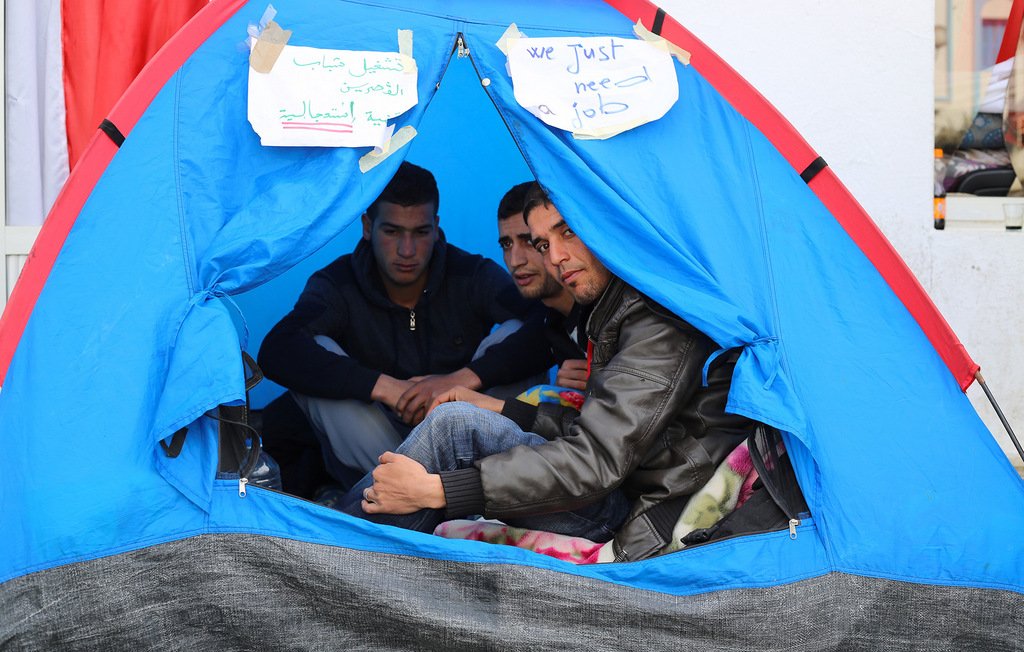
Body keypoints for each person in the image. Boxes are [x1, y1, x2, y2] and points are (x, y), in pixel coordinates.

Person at [344, 183, 756, 562]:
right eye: (544, 242)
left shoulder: (658, 321)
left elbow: (594, 462)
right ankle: (342, 547)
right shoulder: (617, 310)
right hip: (621, 484)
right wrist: (498, 407)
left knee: (452, 428)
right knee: (460, 420)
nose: (554, 257)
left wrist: (438, 490)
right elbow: (601, 431)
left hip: (641, 511)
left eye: (568, 232)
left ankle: (321, 550)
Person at [258, 162, 549, 493]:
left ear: (436, 227)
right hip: (377, 456)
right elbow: (277, 348)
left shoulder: (469, 275)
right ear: (368, 226)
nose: (407, 251)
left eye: (421, 233)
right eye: (392, 232)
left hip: (463, 454)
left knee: (519, 329)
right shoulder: (338, 285)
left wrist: (458, 381)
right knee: (313, 348)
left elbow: (547, 324)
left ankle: (471, 491)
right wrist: (385, 388)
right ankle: (389, 495)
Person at [493, 182, 587, 390]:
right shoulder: (554, 326)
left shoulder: (611, 308)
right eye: (506, 245)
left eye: (531, 242)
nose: (516, 261)